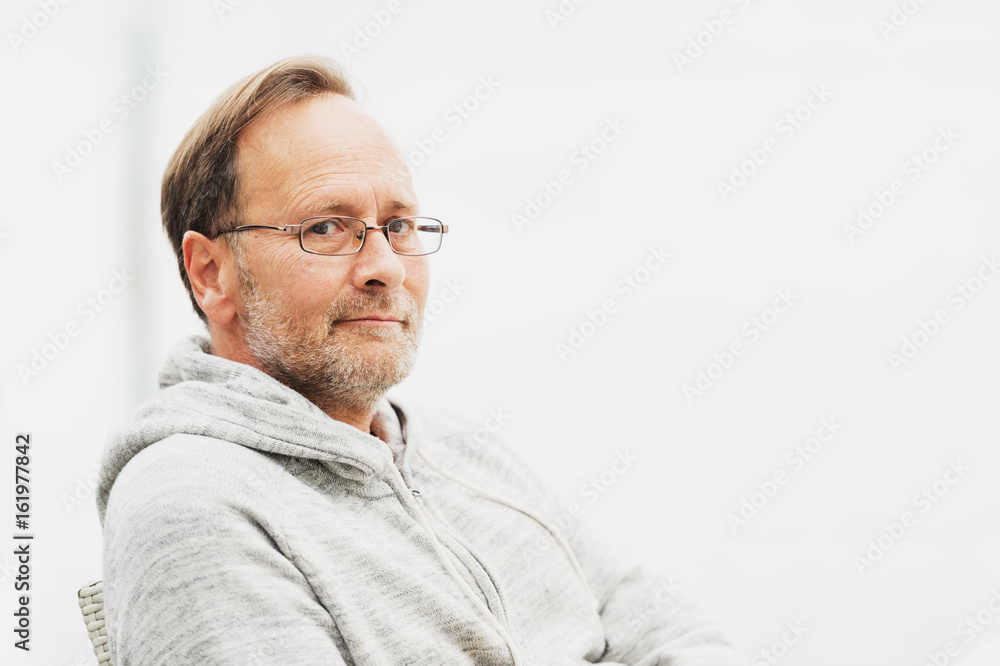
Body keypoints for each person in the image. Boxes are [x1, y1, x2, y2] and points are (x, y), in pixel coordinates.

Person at [96, 54, 742, 665]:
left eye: (399, 226)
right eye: (325, 228)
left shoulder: (464, 450)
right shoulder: (192, 504)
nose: (384, 267)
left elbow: (679, 633)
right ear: (211, 273)